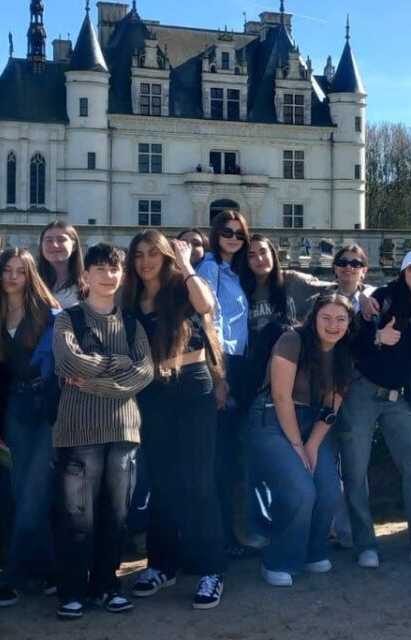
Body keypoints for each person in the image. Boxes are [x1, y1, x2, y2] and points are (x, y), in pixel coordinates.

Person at [123, 230, 229, 609]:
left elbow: (206, 305)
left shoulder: (183, 289)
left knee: (200, 483)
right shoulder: (130, 299)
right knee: (162, 483)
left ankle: (211, 570)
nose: (145, 261)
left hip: (192, 384)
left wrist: (185, 263)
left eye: (153, 253)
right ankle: (162, 565)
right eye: (139, 254)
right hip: (152, 390)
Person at [51, 242, 154, 619]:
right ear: (86, 275)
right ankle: (72, 591)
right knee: (77, 518)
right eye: (100, 269)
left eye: (114, 269)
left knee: (116, 517)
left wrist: (97, 382)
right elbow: (67, 362)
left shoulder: (131, 323)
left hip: (124, 430)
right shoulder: (68, 319)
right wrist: (119, 364)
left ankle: (107, 586)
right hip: (79, 431)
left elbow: (145, 371)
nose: (108, 276)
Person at [338, 249, 411, 571]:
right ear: (402, 271)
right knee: (355, 471)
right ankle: (364, 544)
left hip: (396, 398)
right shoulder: (381, 298)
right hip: (361, 392)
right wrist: (377, 337)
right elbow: (350, 341)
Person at [249, 294, 356, 586]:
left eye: (341, 319)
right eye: (326, 318)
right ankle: (278, 559)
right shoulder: (292, 340)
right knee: (301, 489)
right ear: (314, 318)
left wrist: (312, 446)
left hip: (313, 424)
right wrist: (298, 446)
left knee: (329, 488)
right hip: (272, 419)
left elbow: (331, 407)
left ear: (349, 323)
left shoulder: (344, 354)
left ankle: (312, 550)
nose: (333, 325)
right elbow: (281, 396)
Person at [0, 248, 62, 607]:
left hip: (48, 408)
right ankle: (51, 569)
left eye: (20, 270)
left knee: (33, 492)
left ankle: (13, 577)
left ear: (30, 275)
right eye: (8, 270)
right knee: (23, 492)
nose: (13, 276)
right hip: (16, 407)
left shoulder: (49, 315)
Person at [195, 211, 256, 554]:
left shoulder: (233, 270)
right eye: (227, 232)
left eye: (239, 234)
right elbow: (208, 324)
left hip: (236, 364)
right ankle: (221, 539)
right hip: (222, 364)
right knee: (221, 459)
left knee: (228, 455)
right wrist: (219, 376)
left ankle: (224, 536)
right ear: (215, 234)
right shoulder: (210, 268)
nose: (233, 238)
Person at [39, 221, 86, 308]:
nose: (54, 245)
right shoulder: (31, 282)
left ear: (74, 246)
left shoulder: (89, 284)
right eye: (49, 240)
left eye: (61, 240)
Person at [328, 244, 377, 312]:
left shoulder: (373, 297)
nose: (348, 266)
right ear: (335, 268)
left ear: (364, 271)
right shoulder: (321, 298)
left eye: (355, 263)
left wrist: (364, 295)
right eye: (343, 262)